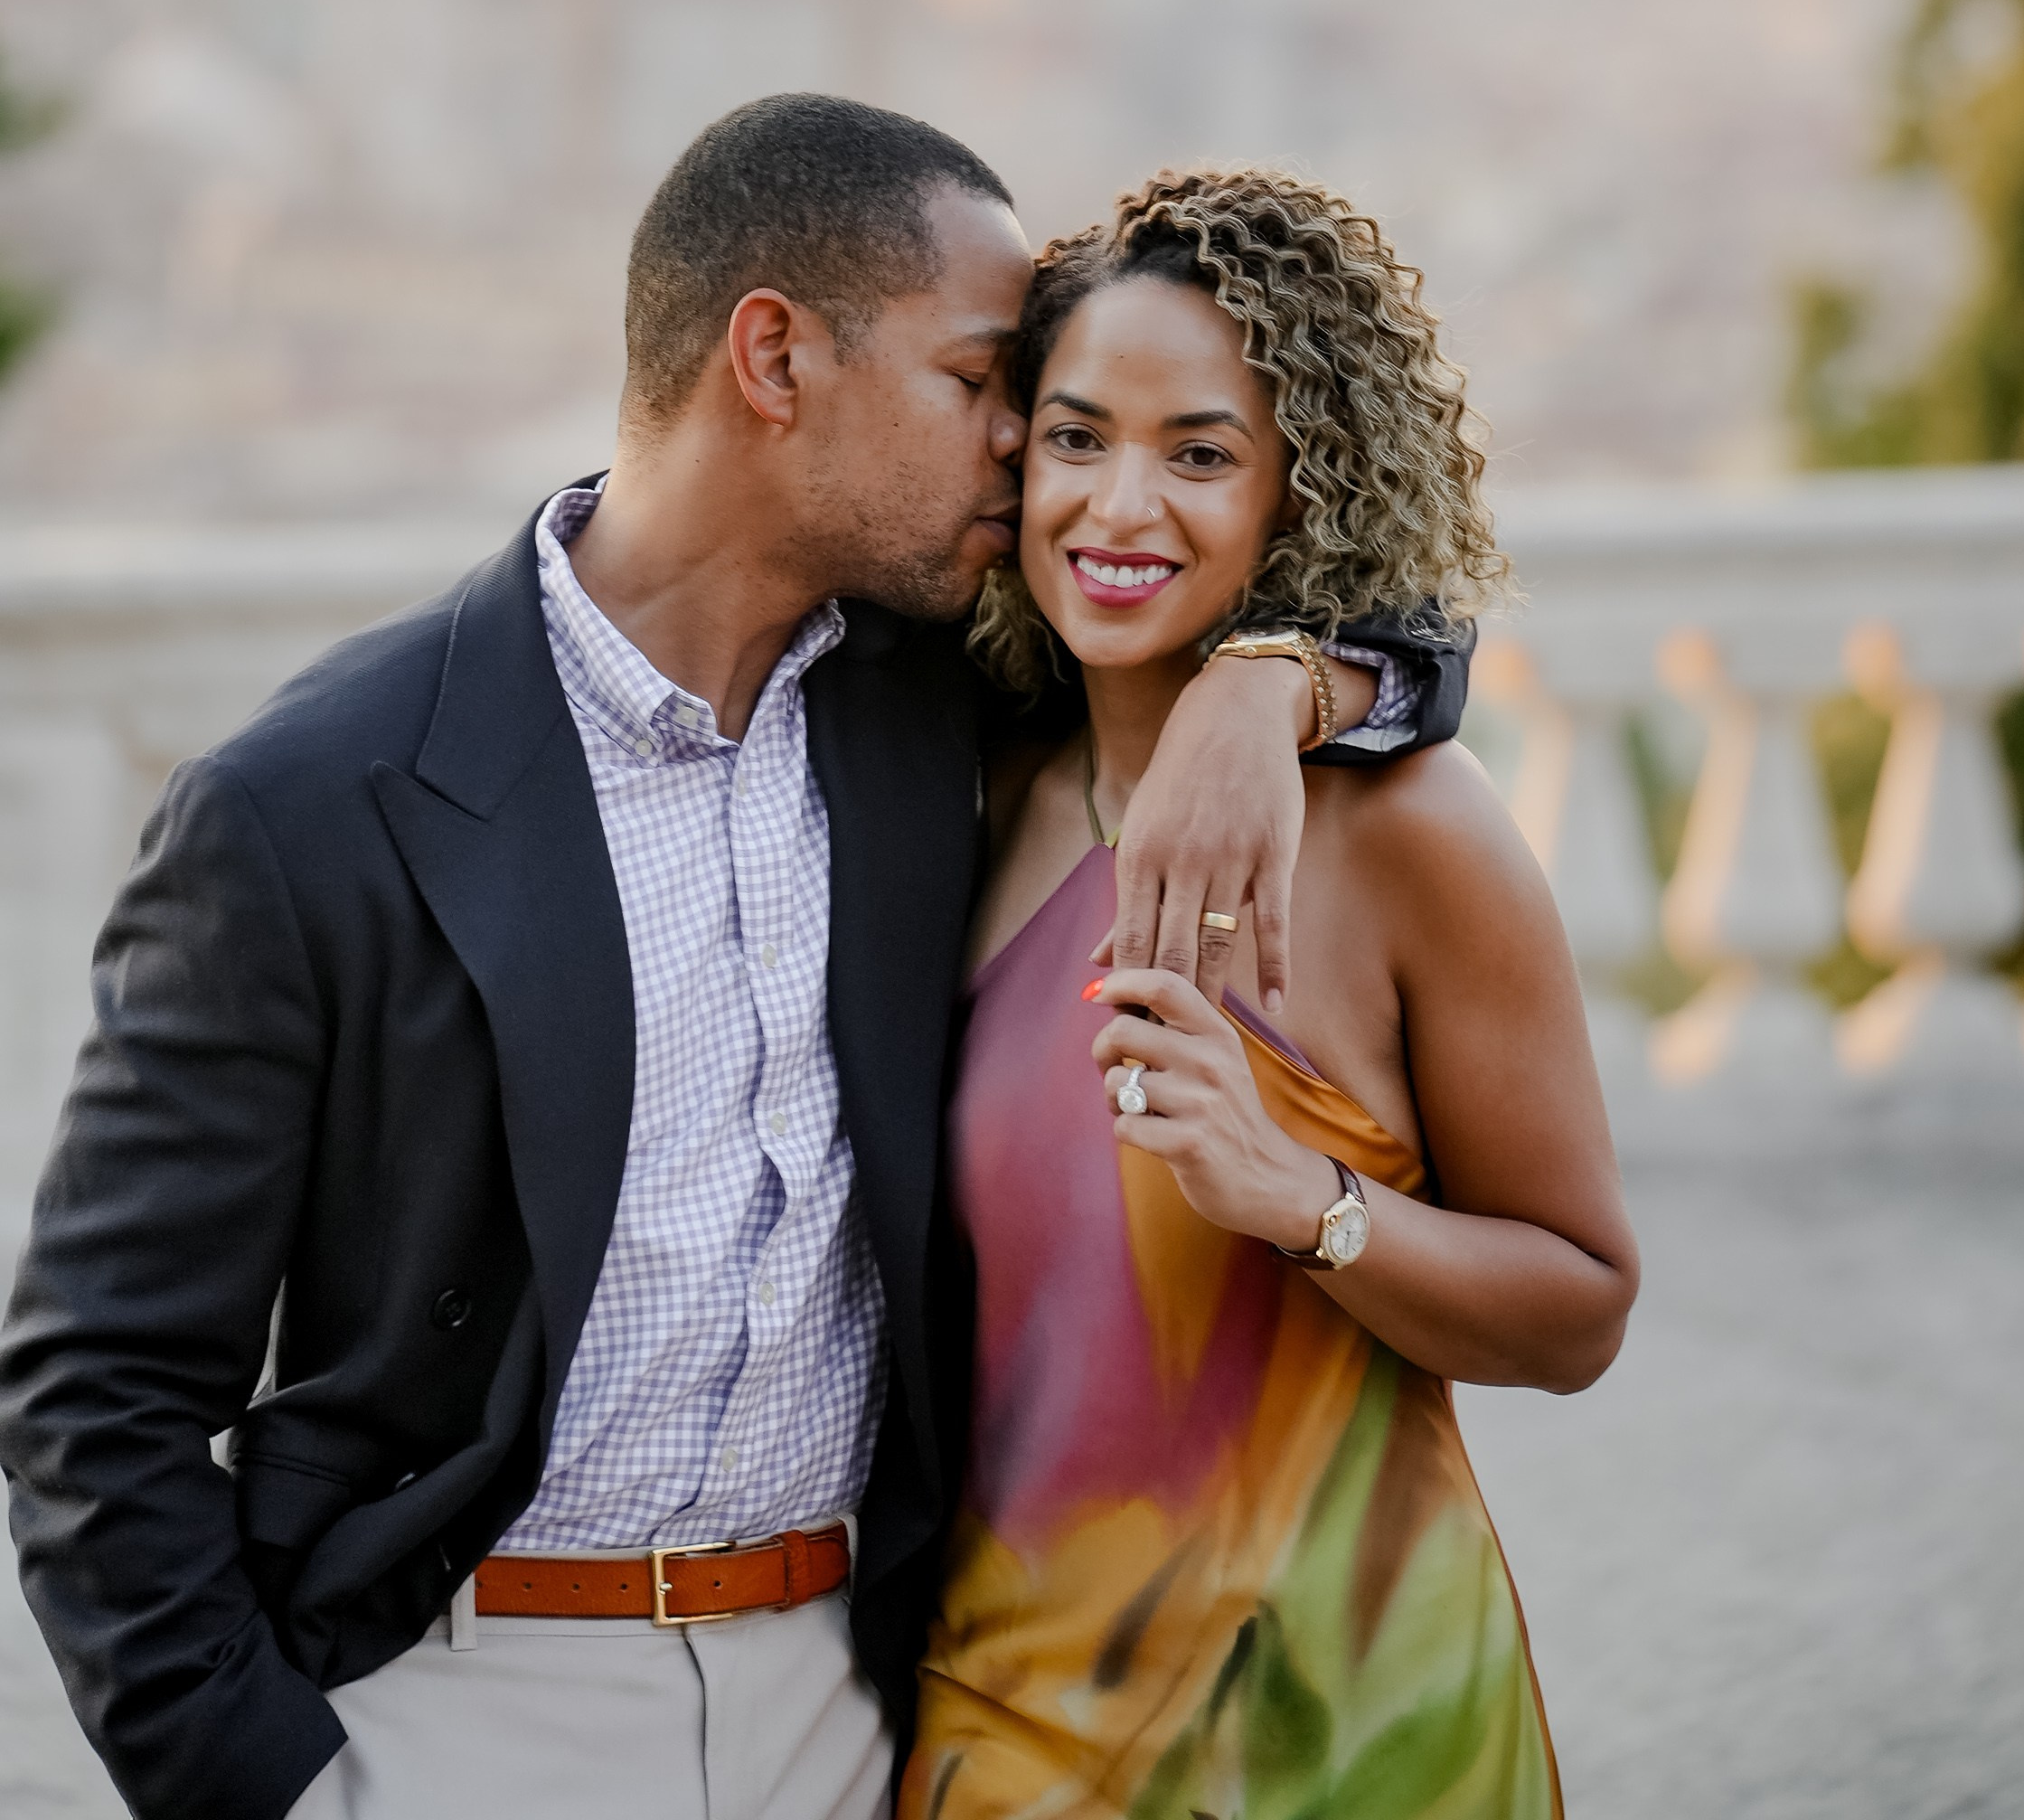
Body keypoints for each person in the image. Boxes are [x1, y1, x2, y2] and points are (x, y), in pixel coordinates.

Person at [0, 97, 1467, 1820]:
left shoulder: (931, 709)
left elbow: (1419, 635)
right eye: (981, 381)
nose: (1026, 448)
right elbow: (96, 1397)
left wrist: (1273, 683)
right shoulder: (310, 806)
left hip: (857, 1706)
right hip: (464, 1712)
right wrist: (283, 1797)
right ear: (772, 357)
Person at [903, 165, 1641, 1820]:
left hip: (1358, 1732)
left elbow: (1582, 1303)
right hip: (997, 1731)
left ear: (1298, 495)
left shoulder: (1412, 840)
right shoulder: (956, 803)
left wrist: (1309, 1203)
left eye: (1202, 454)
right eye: (1078, 438)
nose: (1119, 508)